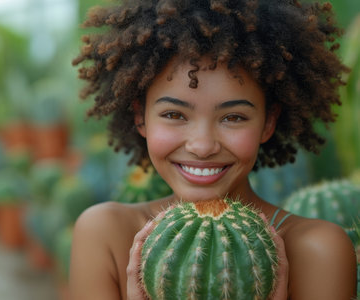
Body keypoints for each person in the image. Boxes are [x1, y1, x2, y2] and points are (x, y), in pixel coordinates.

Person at [69, 0, 358, 299]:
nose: (203, 146)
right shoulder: (105, 234)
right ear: (140, 117)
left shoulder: (318, 250)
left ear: (268, 122)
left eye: (233, 117)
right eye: (174, 115)